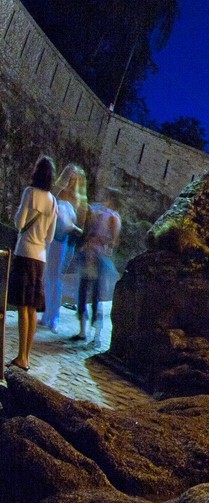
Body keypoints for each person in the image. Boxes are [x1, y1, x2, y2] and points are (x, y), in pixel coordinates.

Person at [10, 156, 57, 371]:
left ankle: (21, 356)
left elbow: (20, 223)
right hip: (40, 258)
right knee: (32, 309)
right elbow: (50, 236)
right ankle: (27, 355)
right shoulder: (53, 201)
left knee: (22, 306)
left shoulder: (30, 193)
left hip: (25, 253)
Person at [42, 163, 87, 332]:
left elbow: (81, 229)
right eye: (69, 177)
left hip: (66, 241)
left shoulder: (79, 201)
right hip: (51, 237)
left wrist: (70, 225)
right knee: (48, 276)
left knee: (57, 277)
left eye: (75, 179)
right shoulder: (58, 192)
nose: (71, 181)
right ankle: (46, 313)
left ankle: (54, 316)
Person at [75, 187, 121, 346]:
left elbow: (111, 242)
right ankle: (84, 330)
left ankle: (95, 333)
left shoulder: (112, 217)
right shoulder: (102, 214)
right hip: (91, 254)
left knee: (94, 294)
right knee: (85, 291)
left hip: (97, 257)